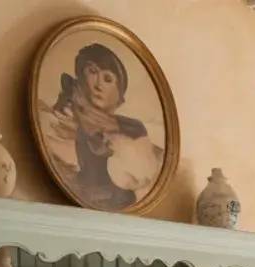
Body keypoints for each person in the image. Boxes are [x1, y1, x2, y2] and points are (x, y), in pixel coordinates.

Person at [36, 41, 162, 209]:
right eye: (92, 72)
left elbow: (142, 172)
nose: (98, 85)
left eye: (108, 79)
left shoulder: (131, 127)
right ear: (82, 78)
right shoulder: (72, 117)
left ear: (119, 95)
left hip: (119, 203)